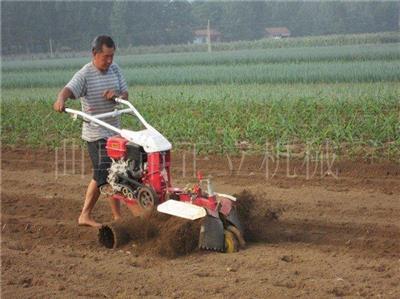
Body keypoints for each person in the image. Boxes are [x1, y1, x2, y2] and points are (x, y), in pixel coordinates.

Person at [54, 35, 128, 228]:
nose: (110, 60)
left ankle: (117, 217)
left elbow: (125, 94)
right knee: (103, 173)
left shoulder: (115, 69)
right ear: (94, 54)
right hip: (95, 133)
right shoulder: (85, 74)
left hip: (114, 132)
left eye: (112, 56)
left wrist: (117, 95)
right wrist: (61, 100)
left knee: (117, 173)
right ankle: (85, 215)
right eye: (106, 57)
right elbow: (68, 90)